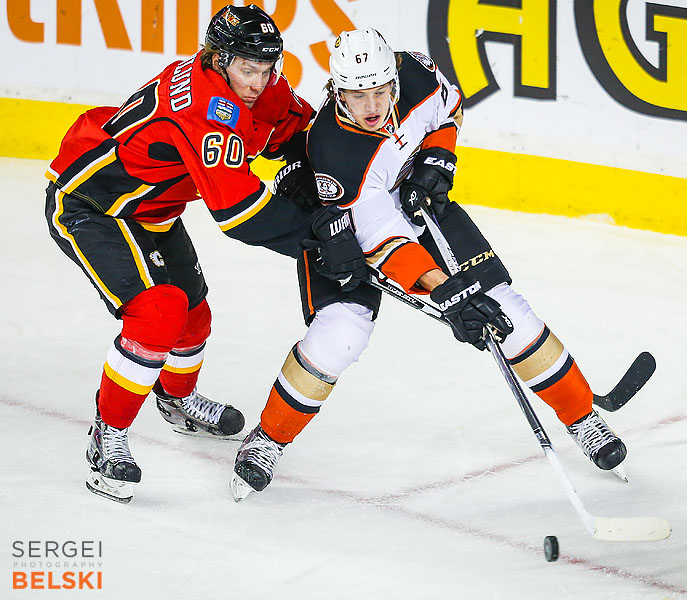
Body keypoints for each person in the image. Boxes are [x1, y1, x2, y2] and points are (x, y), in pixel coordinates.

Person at [229, 27, 629, 500]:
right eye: (359, 96)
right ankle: (267, 440)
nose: (373, 105)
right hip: (341, 230)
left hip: (417, 204)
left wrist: (438, 161)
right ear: (338, 90)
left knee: (508, 311)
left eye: (380, 91)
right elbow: (386, 242)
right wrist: (448, 293)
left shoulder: (414, 71)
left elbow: (449, 107)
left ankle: (583, 419)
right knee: (340, 333)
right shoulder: (336, 152)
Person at [45, 5, 363, 503]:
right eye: (246, 69)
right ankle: (106, 437)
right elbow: (239, 212)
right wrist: (323, 240)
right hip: (93, 206)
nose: (257, 82)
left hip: (154, 208)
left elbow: (298, 135)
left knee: (194, 315)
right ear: (217, 59)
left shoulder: (261, 84)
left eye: (266, 69)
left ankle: (174, 400)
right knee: (158, 313)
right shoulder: (204, 105)